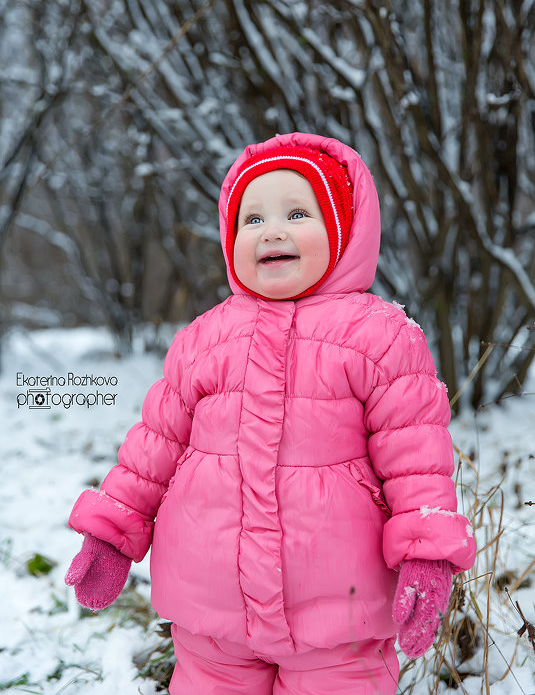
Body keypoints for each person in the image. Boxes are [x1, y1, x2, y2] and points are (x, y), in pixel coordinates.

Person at [65, 132, 476, 694]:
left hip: (339, 611)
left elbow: (416, 462)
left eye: (297, 212)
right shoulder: (203, 339)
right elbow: (151, 450)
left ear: (344, 231)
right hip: (212, 606)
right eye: (251, 219)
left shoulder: (380, 338)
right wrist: (110, 534)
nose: (272, 231)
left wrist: (426, 558)